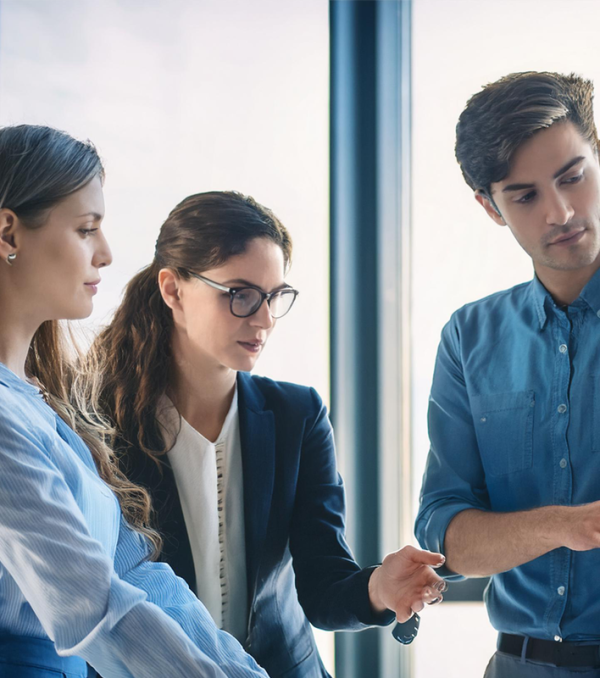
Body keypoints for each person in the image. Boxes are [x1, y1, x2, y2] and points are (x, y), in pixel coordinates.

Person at [88, 190, 447, 678]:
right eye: (240, 295)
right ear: (172, 290)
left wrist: (380, 589)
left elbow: (323, 586)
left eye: (275, 296)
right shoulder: (100, 421)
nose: (263, 320)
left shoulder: (297, 415)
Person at [0, 124, 272, 678]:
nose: (105, 254)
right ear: (8, 233)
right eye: (85, 229)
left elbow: (137, 575)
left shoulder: (37, 405)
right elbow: (95, 607)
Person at [416, 71, 600, 677]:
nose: (562, 211)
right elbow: (445, 539)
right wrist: (566, 526)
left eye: (573, 176)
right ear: (490, 208)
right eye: (525, 196)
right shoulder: (469, 338)